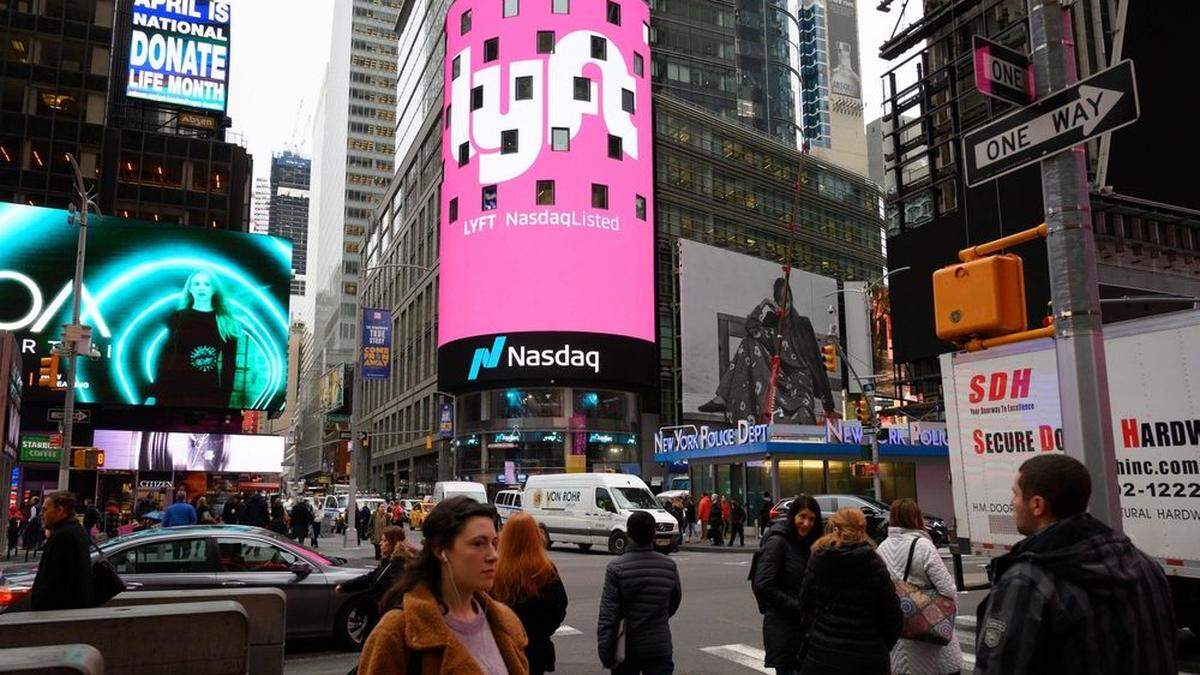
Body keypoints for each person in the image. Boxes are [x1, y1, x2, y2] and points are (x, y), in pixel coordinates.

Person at [974, 454, 1176, 674]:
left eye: (1015, 494)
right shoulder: (1146, 566)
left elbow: (999, 667)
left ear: (1037, 505)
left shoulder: (1027, 581)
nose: (1012, 502)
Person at [357, 497, 529, 674]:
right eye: (478, 543)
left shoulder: (507, 622)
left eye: (494, 543)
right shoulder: (397, 632)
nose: (494, 555)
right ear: (441, 550)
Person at [698, 277, 836, 424]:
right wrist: (764, 304)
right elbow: (751, 328)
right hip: (777, 378)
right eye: (780, 301)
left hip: (799, 383)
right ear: (775, 302)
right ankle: (723, 398)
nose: (785, 306)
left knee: (803, 412)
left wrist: (829, 404)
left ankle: (723, 398)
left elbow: (816, 361)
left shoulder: (802, 324)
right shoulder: (772, 321)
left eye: (788, 300)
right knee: (749, 342)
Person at [796, 507, 902, 674]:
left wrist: (816, 633)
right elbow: (892, 616)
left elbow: (805, 604)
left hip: (822, 654)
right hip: (867, 657)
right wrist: (879, 646)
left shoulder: (819, 558)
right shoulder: (873, 562)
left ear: (835, 527)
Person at [876, 499, 962, 674]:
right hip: (930, 642)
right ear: (916, 518)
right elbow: (948, 590)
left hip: (901, 638)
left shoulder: (882, 548)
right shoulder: (923, 546)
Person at [597, 510, 681, 675]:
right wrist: (658, 616)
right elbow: (674, 601)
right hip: (659, 645)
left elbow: (609, 614)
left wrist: (606, 651)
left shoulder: (616, 568)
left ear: (628, 534)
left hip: (628, 647)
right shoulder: (669, 565)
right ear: (653, 534)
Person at [145, 269, 243, 409]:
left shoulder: (226, 323)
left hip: (206, 393)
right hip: (172, 390)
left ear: (214, 289)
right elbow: (166, 357)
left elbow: (229, 366)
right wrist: (153, 393)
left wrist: (223, 401)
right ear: (190, 289)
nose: (201, 287)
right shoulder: (177, 317)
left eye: (206, 284)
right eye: (196, 284)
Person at [754, 495, 822, 675]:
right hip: (785, 628)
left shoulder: (811, 543)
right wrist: (798, 607)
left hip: (806, 629)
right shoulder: (777, 542)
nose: (806, 523)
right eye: (803, 517)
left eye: (812, 519)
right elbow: (763, 585)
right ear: (793, 516)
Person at [493, 513, 568, 675]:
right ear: (536, 536)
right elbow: (559, 608)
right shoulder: (545, 569)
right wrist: (541, 631)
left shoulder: (495, 568)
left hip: (502, 647)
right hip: (536, 648)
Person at [337, 526, 415, 635]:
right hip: (378, 618)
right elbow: (371, 577)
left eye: (384, 540)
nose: (380, 543)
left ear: (393, 543)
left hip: (385, 622)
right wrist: (346, 586)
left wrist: (374, 603)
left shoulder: (399, 565)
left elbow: (393, 593)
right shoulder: (388, 562)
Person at [30, 491, 94, 611]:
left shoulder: (63, 536)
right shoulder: (75, 530)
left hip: (57, 611)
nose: (41, 514)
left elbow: (54, 578)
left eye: (45, 510)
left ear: (60, 510)